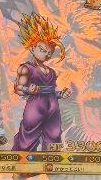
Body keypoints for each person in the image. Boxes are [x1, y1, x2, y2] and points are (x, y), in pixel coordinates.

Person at [11, 13, 69, 152]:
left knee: (54, 135)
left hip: (52, 105)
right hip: (35, 105)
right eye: (42, 50)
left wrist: (61, 94)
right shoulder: (26, 68)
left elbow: (52, 90)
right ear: (32, 48)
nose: (46, 55)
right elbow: (18, 88)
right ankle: (22, 163)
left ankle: (51, 162)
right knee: (28, 136)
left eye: (49, 53)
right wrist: (28, 90)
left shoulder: (51, 71)